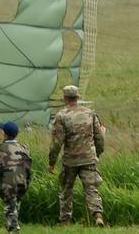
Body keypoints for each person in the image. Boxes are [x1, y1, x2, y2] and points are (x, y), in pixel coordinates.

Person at [48, 85, 105, 227]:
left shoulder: (61, 116)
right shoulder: (90, 113)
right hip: (89, 158)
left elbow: (57, 142)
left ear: (65, 98)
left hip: (70, 160)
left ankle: (65, 221)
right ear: (78, 97)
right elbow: (99, 137)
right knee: (91, 189)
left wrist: (51, 162)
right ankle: (98, 216)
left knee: (66, 190)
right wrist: (97, 153)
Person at [0, 121, 31, 232]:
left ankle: (13, 227)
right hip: (23, 181)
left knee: (10, 206)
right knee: (15, 203)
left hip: (7, 182)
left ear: (4, 134)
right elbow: (28, 164)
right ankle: (14, 223)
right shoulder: (24, 148)